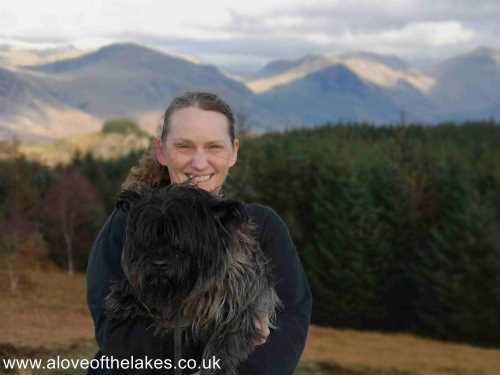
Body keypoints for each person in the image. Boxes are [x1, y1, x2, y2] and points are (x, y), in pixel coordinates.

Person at [86, 91, 312, 374]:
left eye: (214, 147)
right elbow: (114, 329)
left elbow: (289, 323)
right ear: (161, 151)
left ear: (234, 152)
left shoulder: (261, 225)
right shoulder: (131, 220)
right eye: (184, 147)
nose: (199, 162)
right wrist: (224, 337)